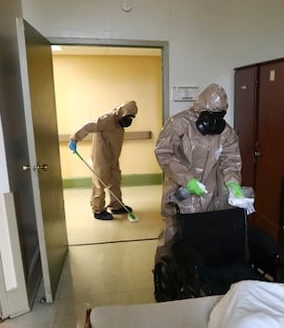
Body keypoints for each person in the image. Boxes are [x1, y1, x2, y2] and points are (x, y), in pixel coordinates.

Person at [153, 84, 244, 259]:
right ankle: (163, 275)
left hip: (208, 192)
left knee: (203, 234)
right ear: (201, 110)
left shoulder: (226, 132)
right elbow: (164, 153)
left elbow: (231, 160)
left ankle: (196, 277)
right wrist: (187, 180)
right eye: (212, 115)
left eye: (220, 116)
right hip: (179, 190)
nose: (215, 121)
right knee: (173, 233)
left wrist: (233, 182)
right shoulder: (179, 123)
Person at [69, 100, 138, 220]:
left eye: (131, 118)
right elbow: (87, 126)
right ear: (122, 113)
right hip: (101, 156)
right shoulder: (107, 119)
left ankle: (116, 206)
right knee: (100, 182)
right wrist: (74, 139)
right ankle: (98, 210)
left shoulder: (119, 124)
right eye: (127, 117)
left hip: (113, 157)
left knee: (115, 179)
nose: (129, 121)